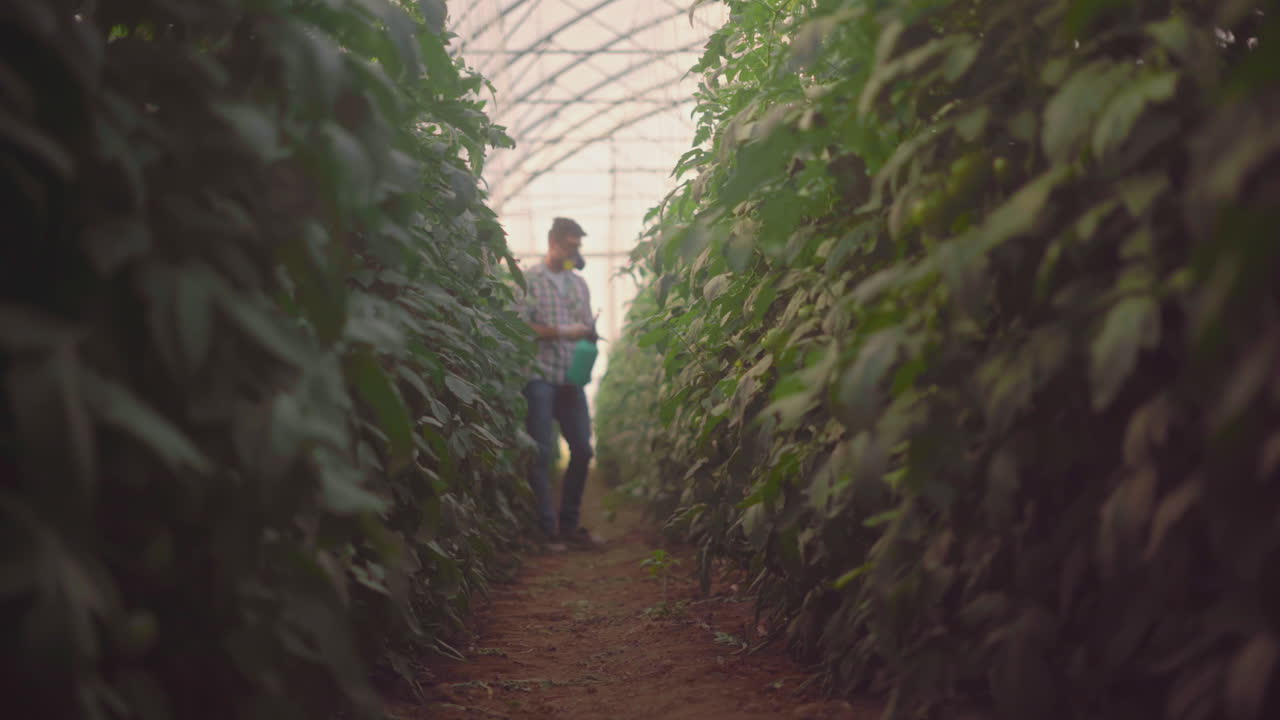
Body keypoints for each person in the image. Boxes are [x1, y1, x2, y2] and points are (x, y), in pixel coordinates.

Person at [518, 217, 602, 551]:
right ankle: (547, 531)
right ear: (553, 242)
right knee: (540, 452)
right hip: (539, 375)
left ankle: (569, 525)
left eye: (578, 246)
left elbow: (584, 326)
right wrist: (562, 331)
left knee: (582, 450)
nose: (574, 251)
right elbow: (523, 327)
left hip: (571, 377)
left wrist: (588, 334)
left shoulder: (578, 284)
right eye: (570, 245)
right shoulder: (529, 281)